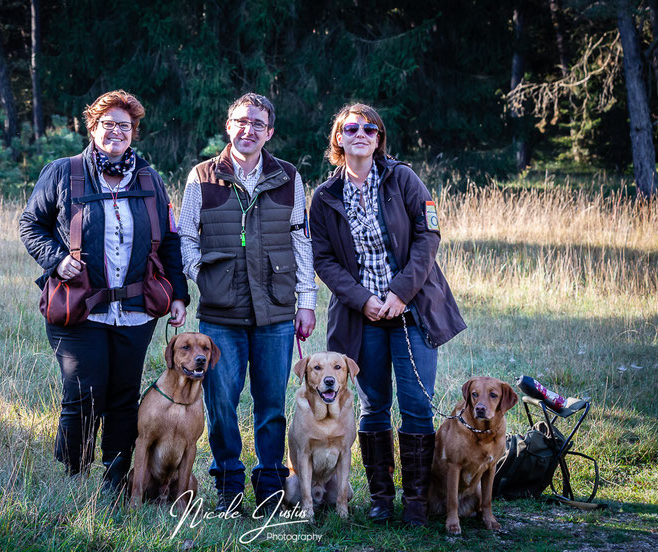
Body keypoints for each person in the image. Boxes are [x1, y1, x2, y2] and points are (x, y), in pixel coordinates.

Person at [19, 90, 189, 491]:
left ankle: (115, 481)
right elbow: (31, 225)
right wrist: (57, 259)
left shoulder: (149, 179)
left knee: (123, 394)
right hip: (78, 307)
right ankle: (73, 474)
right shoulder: (64, 172)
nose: (116, 131)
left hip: (135, 309)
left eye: (124, 126)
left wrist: (179, 293)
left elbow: (169, 240)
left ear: (134, 132)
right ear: (92, 127)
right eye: (108, 124)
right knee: (84, 391)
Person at [308, 103, 466, 526]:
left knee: (416, 406)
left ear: (379, 138)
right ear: (338, 139)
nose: (361, 133)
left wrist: (399, 292)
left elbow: (428, 235)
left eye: (370, 128)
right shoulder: (324, 198)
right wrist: (363, 299)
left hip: (412, 309)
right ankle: (381, 497)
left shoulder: (403, 179)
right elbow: (323, 260)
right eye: (351, 128)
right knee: (373, 405)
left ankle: (416, 503)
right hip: (361, 317)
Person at [179, 93, 317, 512]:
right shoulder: (202, 176)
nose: (248, 130)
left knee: (271, 405)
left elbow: (301, 240)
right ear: (228, 126)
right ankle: (227, 488)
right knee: (221, 404)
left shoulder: (288, 176)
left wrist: (306, 301)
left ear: (269, 132)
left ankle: (272, 487)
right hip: (220, 315)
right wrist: (200, 273)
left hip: (275, 312)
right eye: (241, 121)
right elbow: (186, 235)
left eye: (258, 124)